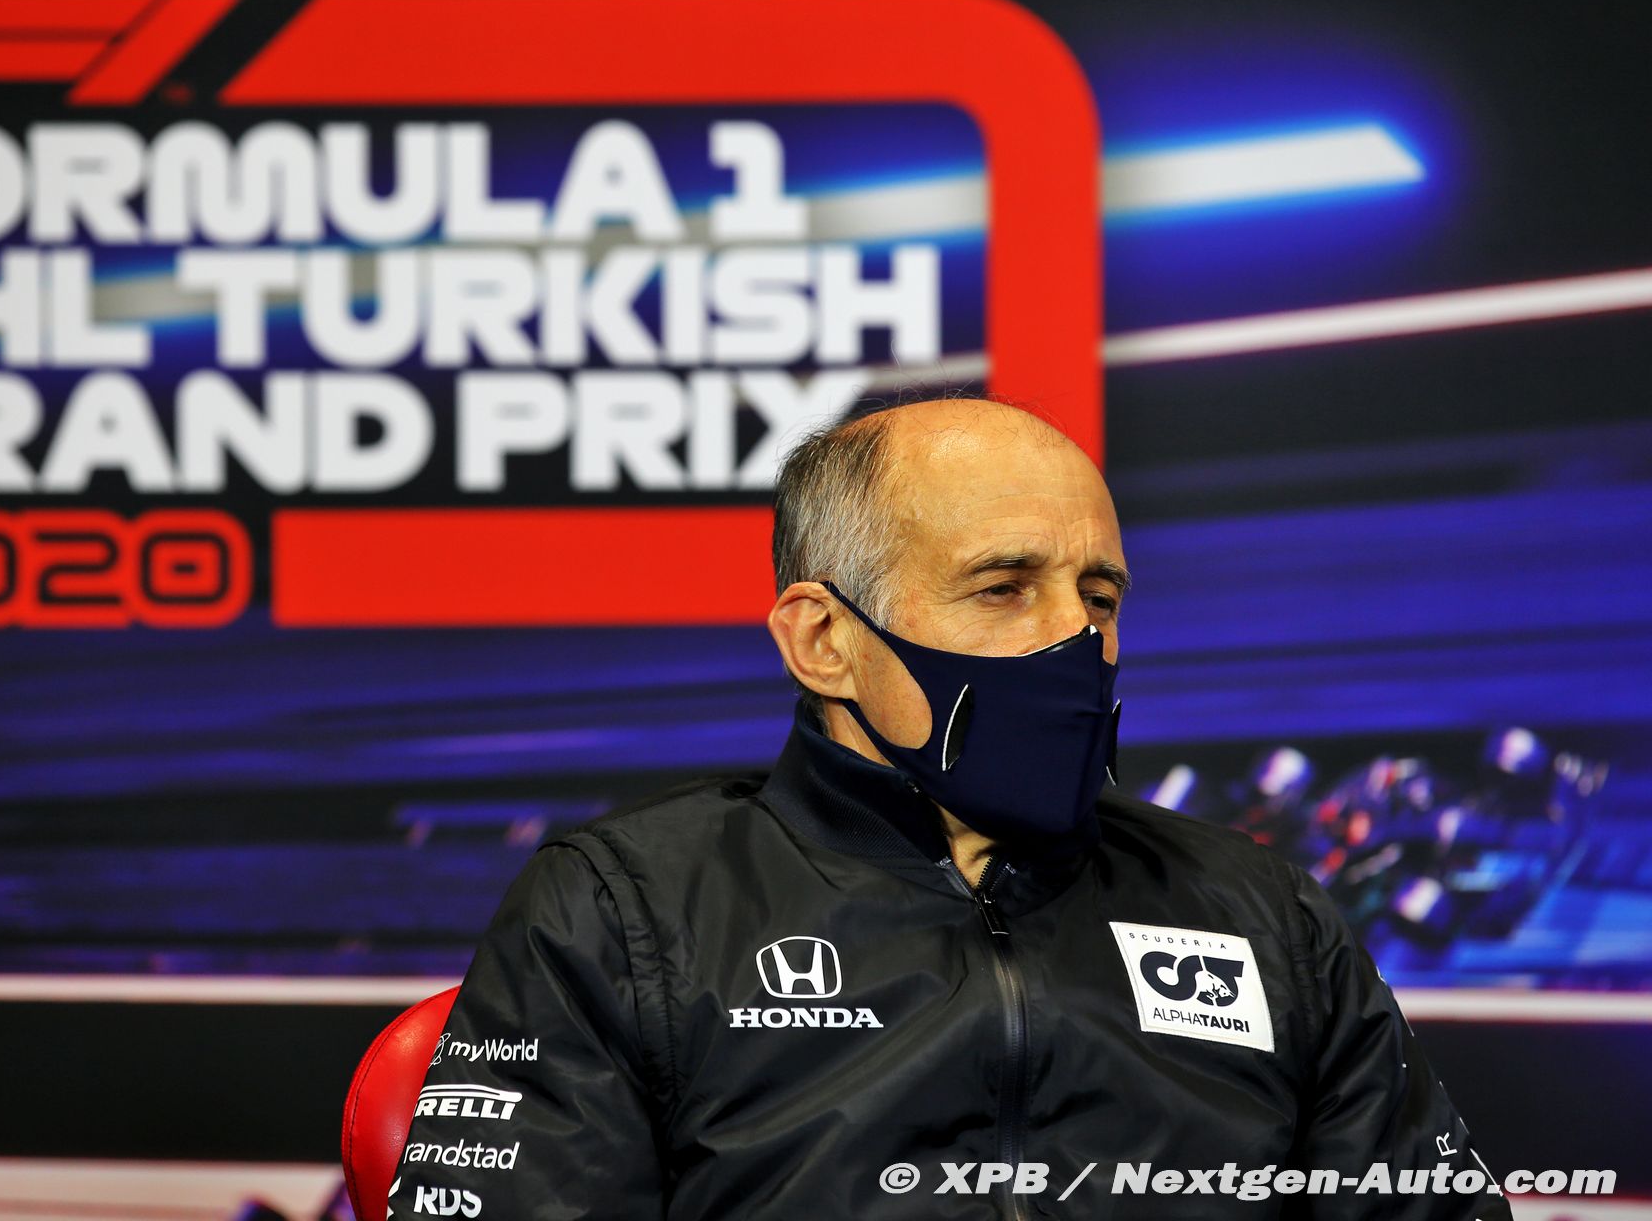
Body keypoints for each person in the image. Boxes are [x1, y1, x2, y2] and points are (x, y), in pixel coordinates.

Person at [395, 397, 1511, 1219]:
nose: (1075, 638)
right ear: (824, 640)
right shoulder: (624, 908)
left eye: (1100, 595)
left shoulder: (1264, 913)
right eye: (1004, 586)